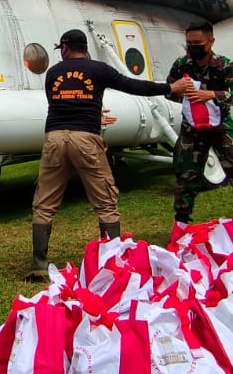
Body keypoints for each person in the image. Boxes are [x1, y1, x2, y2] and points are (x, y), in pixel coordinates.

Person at [28, 28, 188, 279]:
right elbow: (132, 85)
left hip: (54, 138)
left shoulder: (52, 73)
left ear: (66, 48)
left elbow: (56, 103)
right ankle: (111, 258)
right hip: (87, 138)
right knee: (104, 199)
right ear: (84, 48)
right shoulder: (99, 70)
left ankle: (39, 263)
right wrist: (169, 88)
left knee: (45, 201)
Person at [165, 21, 233, 225]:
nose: (192, 46)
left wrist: (211, 95)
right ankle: (182, 223)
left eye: (198, 42)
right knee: (186, 178)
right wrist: (184, 96)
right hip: (191, 130)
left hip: (221, 128)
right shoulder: (181, 65)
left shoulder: (225, 65)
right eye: (189, 43)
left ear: (210, 42)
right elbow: (170, 90)